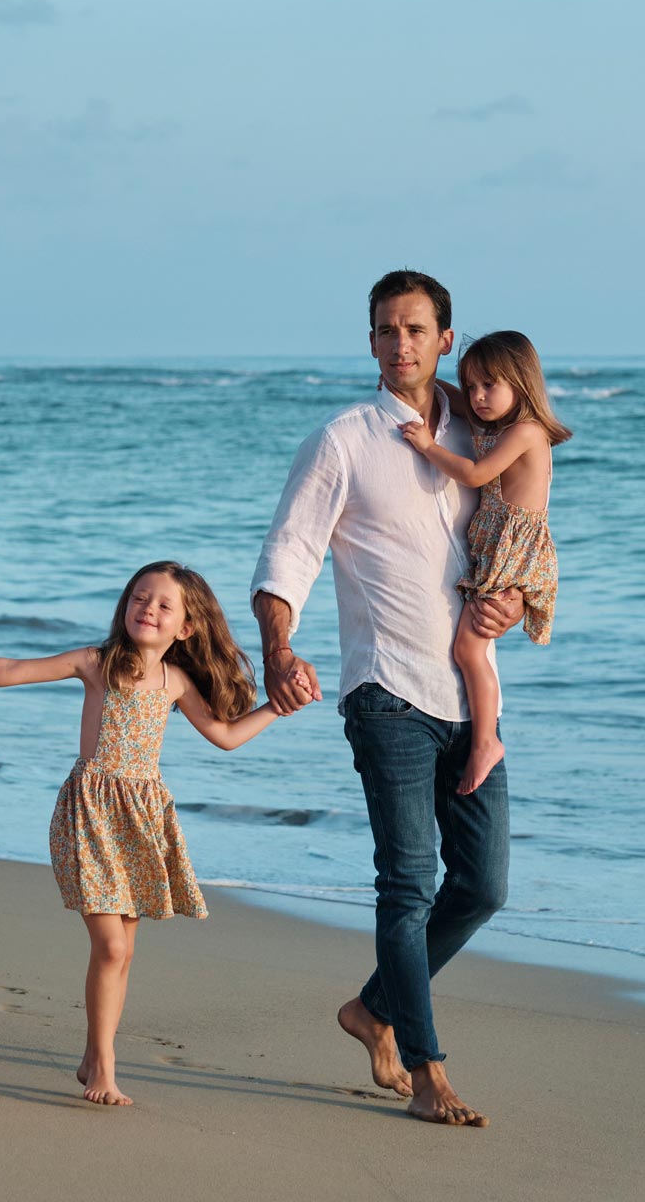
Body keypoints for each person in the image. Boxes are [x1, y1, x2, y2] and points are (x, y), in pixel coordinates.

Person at [251, 269, 525, 1128]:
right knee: (407, 885)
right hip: (387, 694)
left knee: (481, 887)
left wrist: (512, 603)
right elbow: (286, 555)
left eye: (415, 329)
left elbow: (512, 543)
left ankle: (372, 1008)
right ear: (369, 342)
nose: (399, 344)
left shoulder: (488, 433)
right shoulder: (343, 441)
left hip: (471, 701)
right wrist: (277, 646)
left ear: (447, 336)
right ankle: (426, 1068)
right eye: (384, 330)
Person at [0, 561, 278, 1106]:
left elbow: (226, 735)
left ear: (186, 628)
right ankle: (106, 1066)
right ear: (125, 606)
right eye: (140, 597)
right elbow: (10, 669)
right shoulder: (98, 663)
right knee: (111, 945)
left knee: (123, 953)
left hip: (142, 818)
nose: (148, 609)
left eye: (164, 605)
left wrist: (278, 708)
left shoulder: (177, 681)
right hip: (90, 812)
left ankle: (95, 1054)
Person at [396, 329, 570, 796]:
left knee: (469, 649)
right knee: (470, 646)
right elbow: (457, 400)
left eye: (488, 385)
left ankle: (486, 741)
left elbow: (475, 473)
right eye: (470, 386)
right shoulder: (500, 427)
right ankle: (483, 736)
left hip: (514, 553)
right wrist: (428, 384)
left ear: (520, 381)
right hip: (501, 547)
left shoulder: (526, 432)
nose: (476, 396)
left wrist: (427, 446)